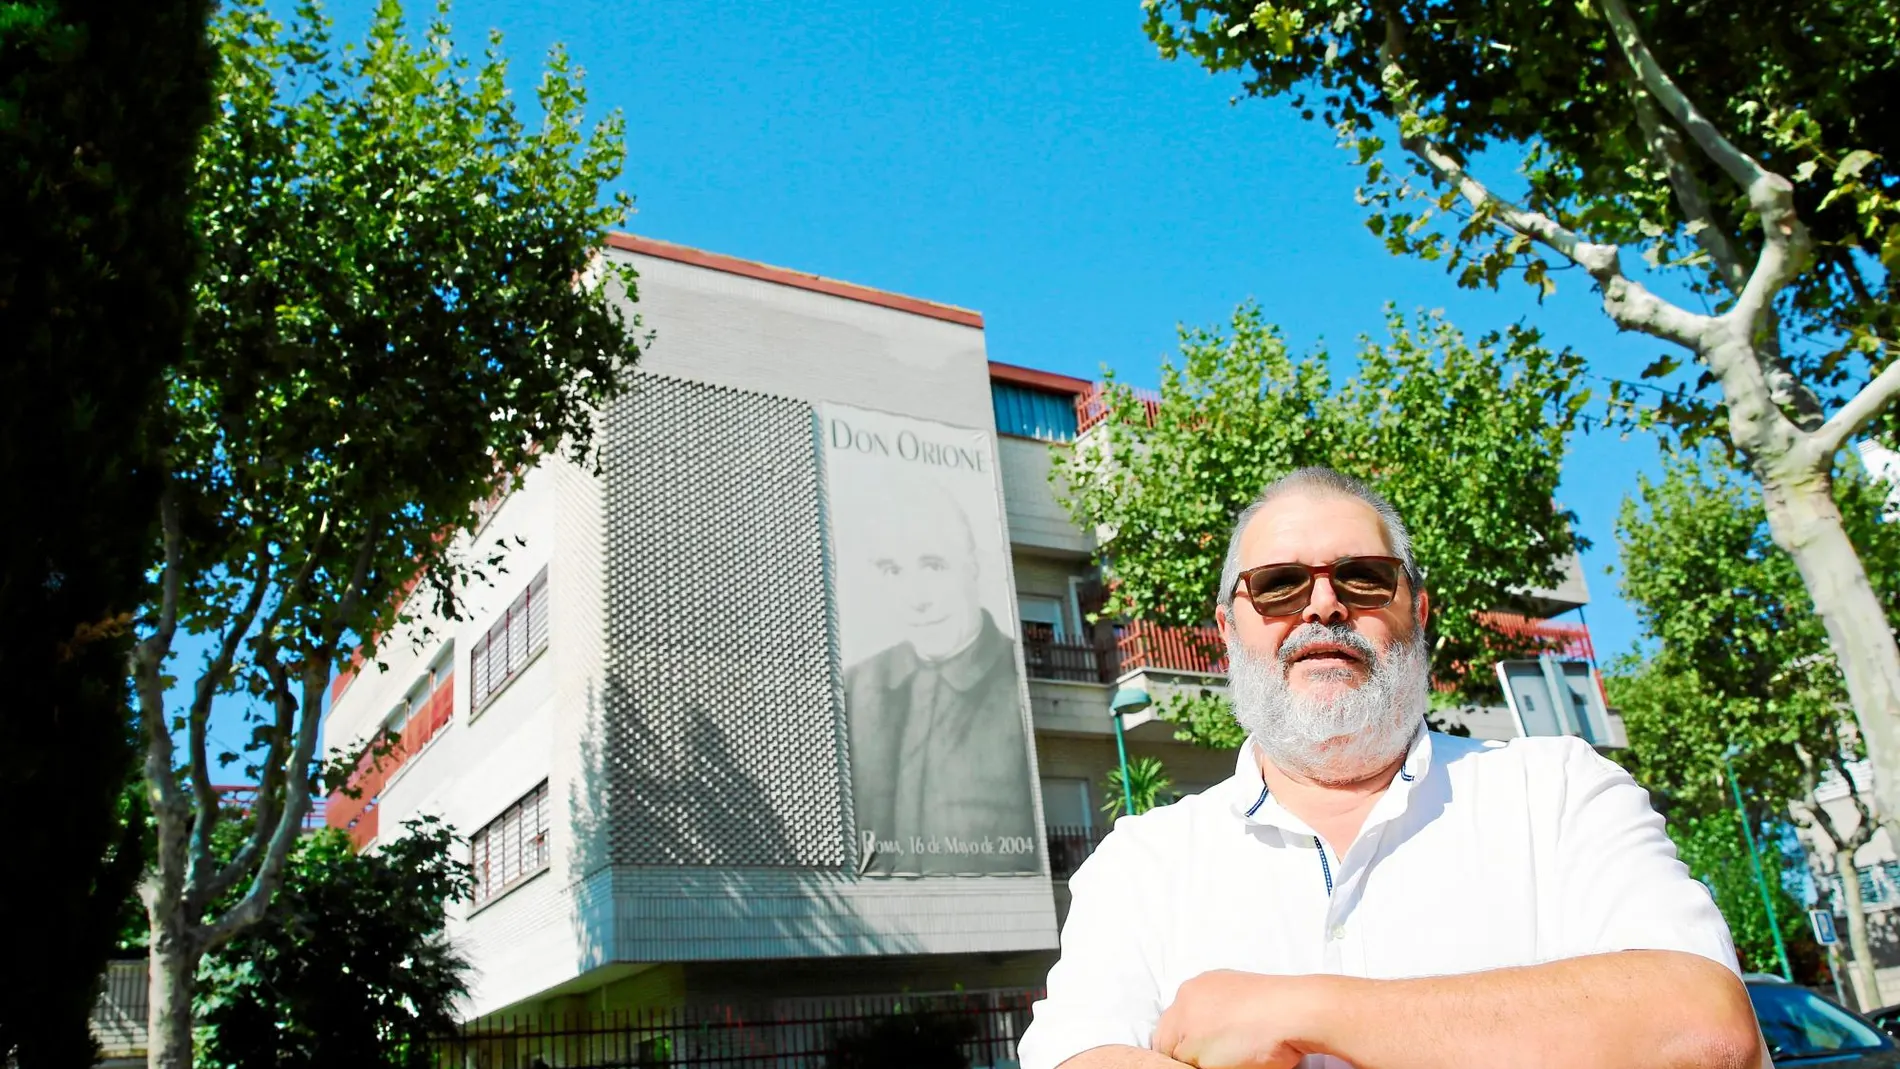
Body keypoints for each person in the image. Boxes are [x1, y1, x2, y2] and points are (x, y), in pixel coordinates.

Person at [1017, 467, 1762, 1069]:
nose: (1322, 606)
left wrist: (1302, 1012)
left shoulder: (1559, 792)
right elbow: (1075, 1052)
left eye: (1364, 576)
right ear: (1227, 628)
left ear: (1419, 610)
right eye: (1278, 584)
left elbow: (1702, 1031)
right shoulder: (1140, 864)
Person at [845, 485, 1037, 876]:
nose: (915, 598)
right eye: (892, 571)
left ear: (972, 567)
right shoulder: (855, 687)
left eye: (933, 566)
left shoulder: (1016, 684)